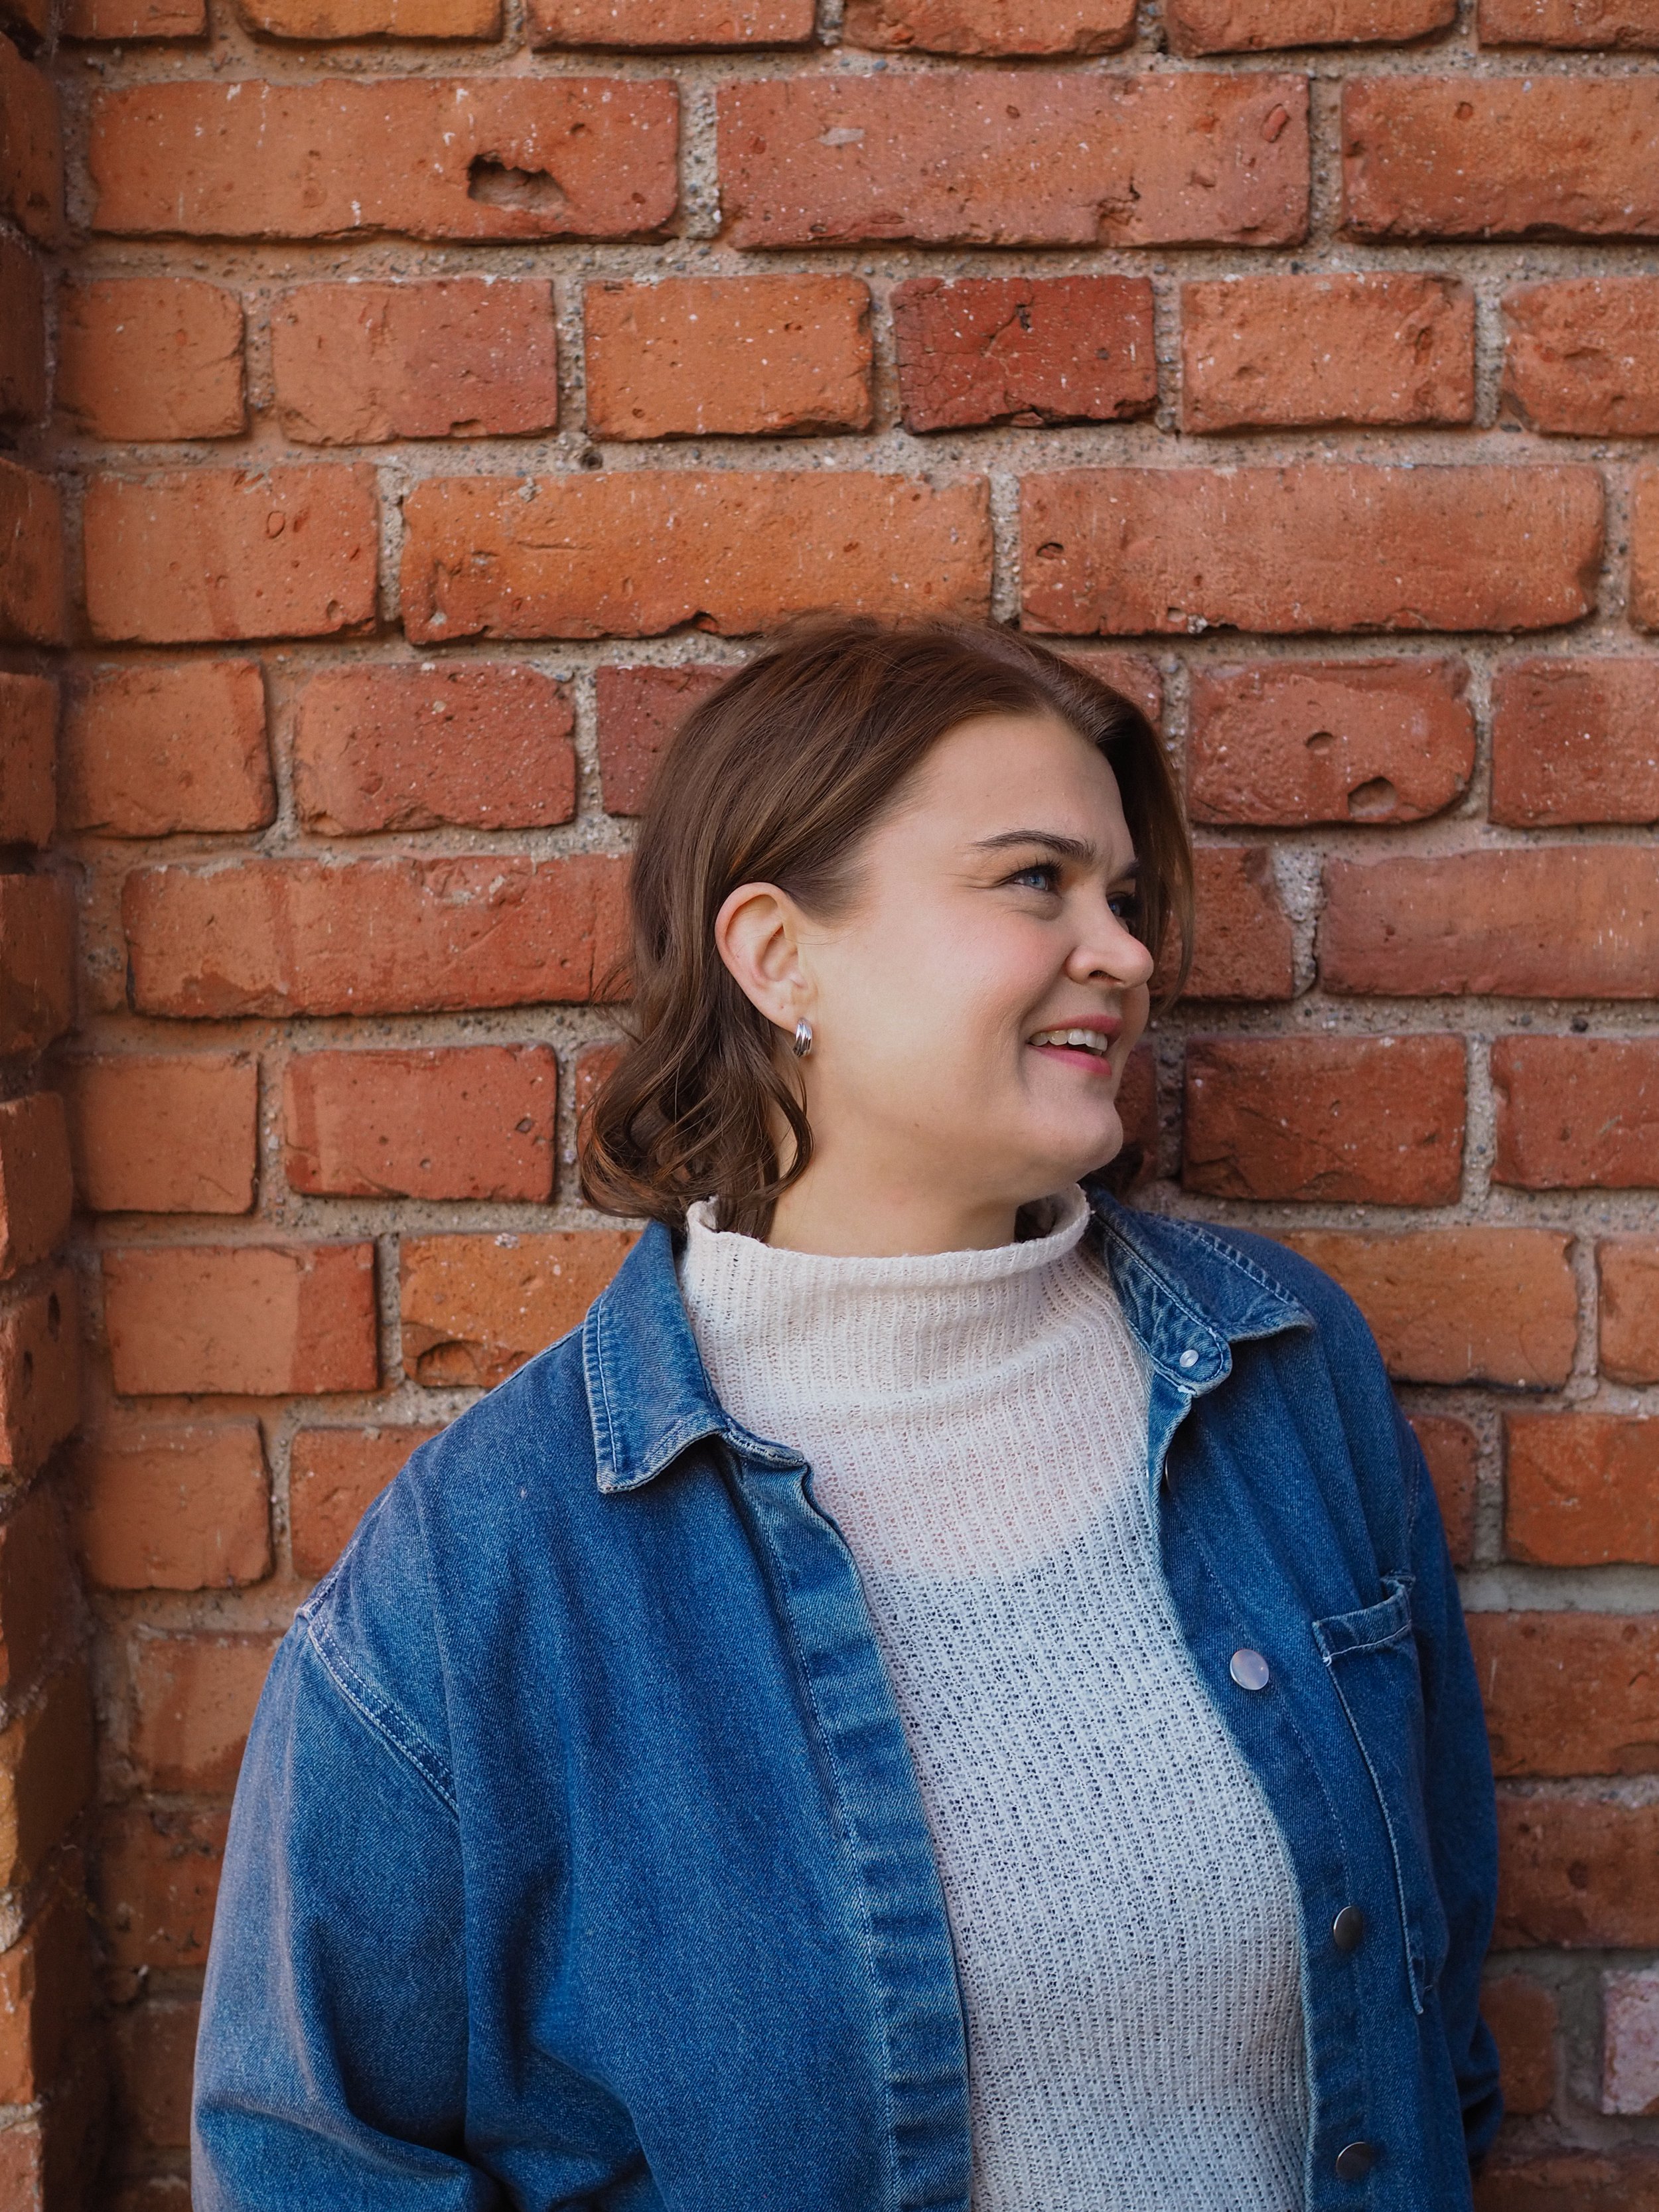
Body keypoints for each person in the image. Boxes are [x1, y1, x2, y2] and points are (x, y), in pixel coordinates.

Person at [192, 617, 1502, 2211]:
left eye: (1124, 899)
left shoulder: (1281, 1376)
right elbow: (310, 2162)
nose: (1127, 952)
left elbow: (1430, 2022)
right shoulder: (488, 1569)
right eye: (1033, 880)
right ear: (775, 954)